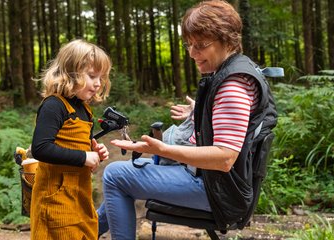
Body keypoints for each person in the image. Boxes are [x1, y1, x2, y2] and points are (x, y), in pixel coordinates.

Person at [97, 0, 263, 238]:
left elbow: (225, 158)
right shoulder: (238, 70)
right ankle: (82, 233)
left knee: (115, 175)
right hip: (219, 183)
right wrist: (202, 113)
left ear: (227, 39)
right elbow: (232, 120)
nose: (193, 54)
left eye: (201, 45)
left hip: (215, 190)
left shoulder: (231, 88)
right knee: (123, 179)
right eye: (189, 45)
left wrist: (164, 149)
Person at [30, 39, 111, 240]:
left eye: (101, 78)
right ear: (70, 72)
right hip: (55, 197)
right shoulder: (54, 106)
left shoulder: (85, 110)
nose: (98, 83)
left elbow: (81, 148)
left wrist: (95, 154)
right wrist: (83, 157)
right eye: (92, 76)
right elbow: (40, 148)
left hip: (80, 194)